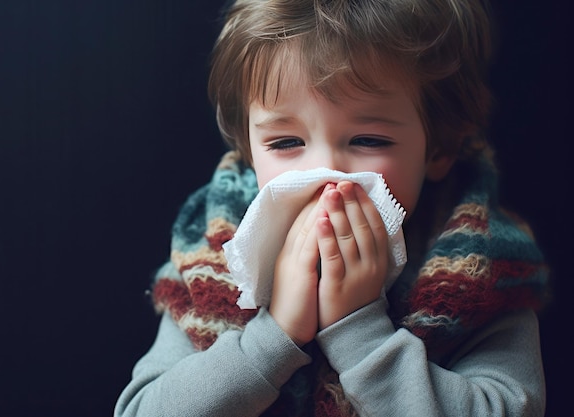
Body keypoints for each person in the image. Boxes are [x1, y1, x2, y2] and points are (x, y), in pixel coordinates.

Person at [114, 0, 550, 415]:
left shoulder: (485, 267)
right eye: (286, 143)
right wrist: (272, 336)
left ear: (438, 148)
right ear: (249, 149)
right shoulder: (214, 258)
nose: (326, 175)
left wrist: (361, 333)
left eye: (368, 140)